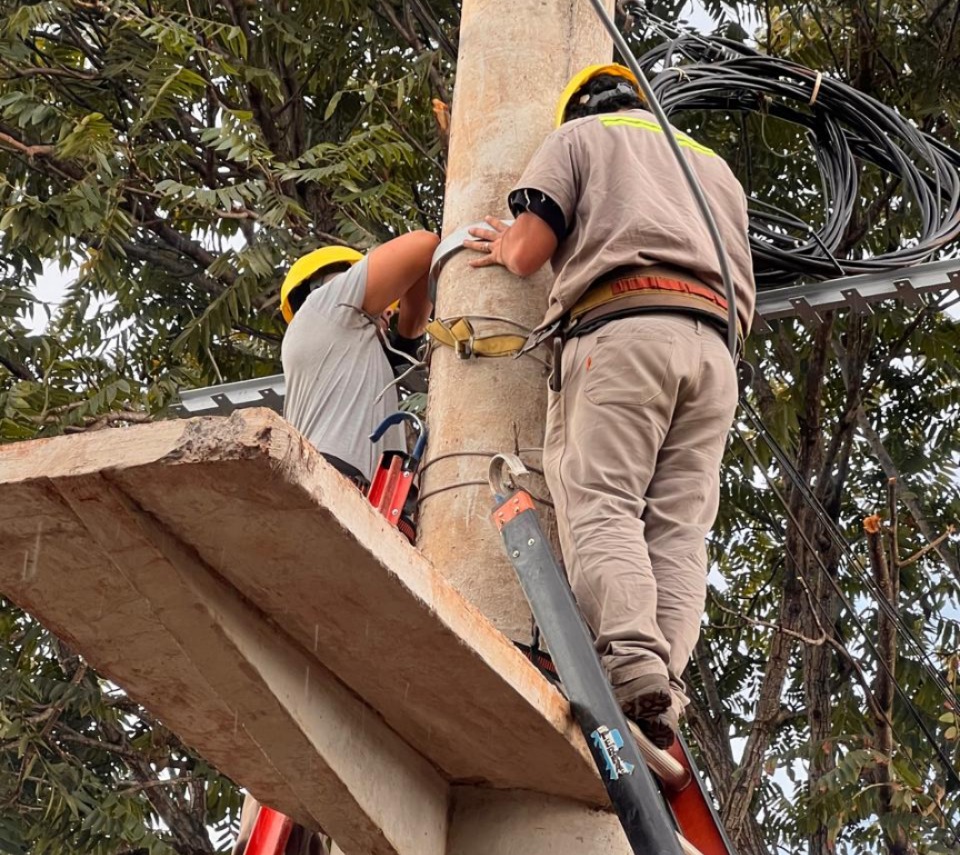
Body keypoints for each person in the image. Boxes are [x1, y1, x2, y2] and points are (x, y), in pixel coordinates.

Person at [463, 64, 755, 749]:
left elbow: (532, 250)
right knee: (680, 530)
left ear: (579, 109)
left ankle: (631, 661)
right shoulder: (710, 167)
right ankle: (661, 684)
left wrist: (503, 242)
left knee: (602, 502)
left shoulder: (582, 136)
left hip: (624, 329)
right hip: (714, 354)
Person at [232, 229, 437, 855]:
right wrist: (403, 317)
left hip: (365, 508)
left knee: (332, 694)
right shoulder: (331, 307)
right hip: (344, 497)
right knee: (311, 686)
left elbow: (412, 304)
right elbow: (424, 247)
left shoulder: (350, 353)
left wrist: (405, 333)